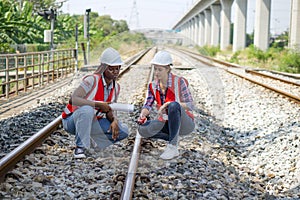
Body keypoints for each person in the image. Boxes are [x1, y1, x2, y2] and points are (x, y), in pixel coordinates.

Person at [62, 47, 129, 158]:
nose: (115, 72)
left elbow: (109, 109)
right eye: (111, 69)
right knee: (87, 110)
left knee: (123, 130)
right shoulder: (91, 80)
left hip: (93, 121)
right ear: (103, 68)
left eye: (117, 69)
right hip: (72, 120)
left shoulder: (116, 87)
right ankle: (80, 148)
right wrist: (97, 104)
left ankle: (95, 144)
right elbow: (73, 99)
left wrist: (114, 120)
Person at [137, 50, 195, 160]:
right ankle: (173, 137)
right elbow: (148, 104)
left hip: (185, 124)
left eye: (160, 69)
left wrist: (168, 104)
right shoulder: (153, 86)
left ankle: (172, 146)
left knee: (173, 106)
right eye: (155, 69)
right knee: (142, 129)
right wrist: (143, 114)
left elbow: (191, 105)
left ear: (168, 69)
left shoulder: (179, 82)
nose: (156, 73)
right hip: (166, 123)